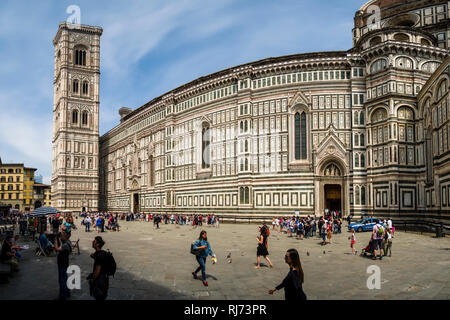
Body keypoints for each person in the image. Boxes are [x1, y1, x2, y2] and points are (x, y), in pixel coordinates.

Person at [53, 232, 72, 300]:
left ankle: (63, 295)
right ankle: (67, 292)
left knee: (62, 280)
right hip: (65, 262)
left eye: (62, 236)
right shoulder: (68, 242)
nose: (61, 237)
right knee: (65, 278)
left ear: (65, 237)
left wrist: (55, 240)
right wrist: (59, 238)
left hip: (62, 263)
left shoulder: (65, 245)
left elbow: (57, 249)